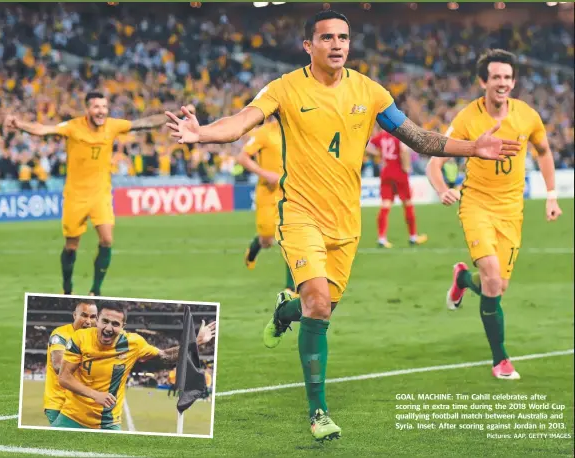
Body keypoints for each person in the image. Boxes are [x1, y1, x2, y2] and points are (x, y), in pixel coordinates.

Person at [164, 11, 519, 441]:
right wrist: (201, 134)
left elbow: (417, 137)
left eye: (344, 37)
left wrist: (471, 148)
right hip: (300, 214)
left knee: (321, 309)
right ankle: (318, 412)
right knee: (316, 304)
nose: (337, 44)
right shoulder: (285, 88)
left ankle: (282, 312)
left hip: (346, 222)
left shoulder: (369, 92)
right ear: (307, 46)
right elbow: (241, 122)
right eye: (327, 37)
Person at [426, 49, 562, 380]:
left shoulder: (527, 116)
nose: (501, 83)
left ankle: (461, 280)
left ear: (513, 82)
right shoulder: (467, 119)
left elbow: (544, 153)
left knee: (496, 286)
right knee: (490, 272)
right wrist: (443, 187)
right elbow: (434, 161)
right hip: (476, 204)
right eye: (495, 77)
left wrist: (551, 195)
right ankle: (500, 359)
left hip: (512, 208)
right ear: (483, 81)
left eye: (507, 77)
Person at [3, 93, 171, 296]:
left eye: (104, 106)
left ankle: (95, 290)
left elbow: (144, 123)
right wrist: (19, 124)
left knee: (107, 239)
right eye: (96, 107)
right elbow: (43, 130)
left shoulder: (113, 125)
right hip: (75, 196)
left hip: (100, 194)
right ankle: (67, 287)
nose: (101, 111)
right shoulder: (73, 127)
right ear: (88, 110)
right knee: (71, 245)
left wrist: (173, 116)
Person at [53, 302, 216, 429]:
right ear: (97, 320)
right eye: (105, 321)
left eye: (115, 324)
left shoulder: (134, 343)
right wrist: (95, 395)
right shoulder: (80, 338)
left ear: (123, 326)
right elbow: (64, 377)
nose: (109, 328)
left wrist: (198, 341)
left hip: (107, 423)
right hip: (71, 417)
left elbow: (165, 356)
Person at [236, 117, 296, 294]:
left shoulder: (295, 131)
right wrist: (265, 174)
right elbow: (242, 157)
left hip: (288, 191)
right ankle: (254, 247)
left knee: (289, 237)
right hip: (267, 191)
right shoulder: (264, 133)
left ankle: (291, 286)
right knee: (267, 238)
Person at [367, 128, 427, 248]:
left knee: (385, 204)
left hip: (386, 171)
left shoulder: (381, 136)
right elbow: (404, 151)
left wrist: (377, 154)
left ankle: (382, 238)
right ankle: (413, 236)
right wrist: (407, 167)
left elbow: (367, 145)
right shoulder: (399, 135)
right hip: (399, 172)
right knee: (407, 203)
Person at [43, 300, 98, 425]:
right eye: (84, 315)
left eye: (93, 317)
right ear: (75, 315)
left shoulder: (94, 339)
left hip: (80, 404)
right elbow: (58, 366)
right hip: (59, 403)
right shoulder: (60, 334)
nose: (88, 321)